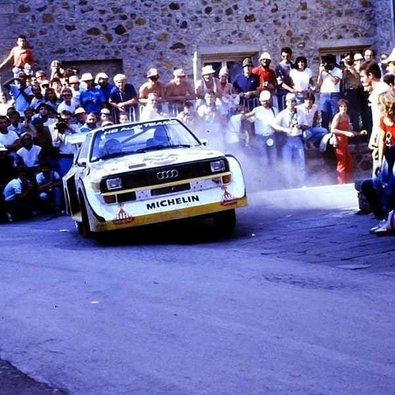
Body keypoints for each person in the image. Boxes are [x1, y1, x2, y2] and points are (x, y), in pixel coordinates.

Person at [362, 91, 395, 234]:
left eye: (380, 104)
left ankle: (390, 220)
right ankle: (385, 217)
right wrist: (379, 161)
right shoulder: (383, 119)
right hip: (389, 153)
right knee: (377, 182)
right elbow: (381, 140)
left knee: (392, 186)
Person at [360, 61, 390, 174]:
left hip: (385, 139)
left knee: (381, 175)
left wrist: (375, 139)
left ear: (370, 76)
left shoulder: (380, 92)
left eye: (362, 76)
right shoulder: (381, 89)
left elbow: (380, 119)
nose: (361, 80)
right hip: (385, 137)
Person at [272, 93, 307, 188]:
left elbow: (306, 124)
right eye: (289, 101)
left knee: (300, 162)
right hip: (287, 139)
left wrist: (300, 126)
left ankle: (301, 183)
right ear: (286, 103)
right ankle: (288, 184)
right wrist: (284, 129)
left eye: (293, 101)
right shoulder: (283, 113)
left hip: (297, 138)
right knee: (287, 163)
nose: (291, 103)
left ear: (295, 102)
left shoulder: (300, 112)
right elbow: (274, 124)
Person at [330, 99, 364, 184]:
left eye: (345, 106)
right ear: (339, 107)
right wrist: (345, 133)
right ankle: (341, 183)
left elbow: (349, 131)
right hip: (339, 142)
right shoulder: (338, 116)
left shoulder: (347, 116)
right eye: (341, 106)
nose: (343, 108)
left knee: (348, 162)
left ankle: (348, 182)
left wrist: (359, 133)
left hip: (345, 142)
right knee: (341, 163)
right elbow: (332, 130)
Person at [242, 90, 278, 166]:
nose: (265, 103)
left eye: (266, 101)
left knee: (273, 158)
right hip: (260, 137)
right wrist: (250, 136)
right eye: (263, 101)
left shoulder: (274, 110)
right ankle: (264, 175)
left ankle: (274, 175)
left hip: (271, 136)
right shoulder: (257, 110)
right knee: (263, 159)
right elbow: (247, 121)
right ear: (260, 101)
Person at [316, 54, 342, 130]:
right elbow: (319, 83)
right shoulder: (323, 71)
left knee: (335, 116)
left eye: (329, 63)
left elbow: (335, 81)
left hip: (334, 95)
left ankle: (335, 134)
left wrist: (328, 72)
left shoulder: (338, 70)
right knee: (324, 116)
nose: (328, 65)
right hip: (324, 94)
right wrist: (320, 73)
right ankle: (324, 134)